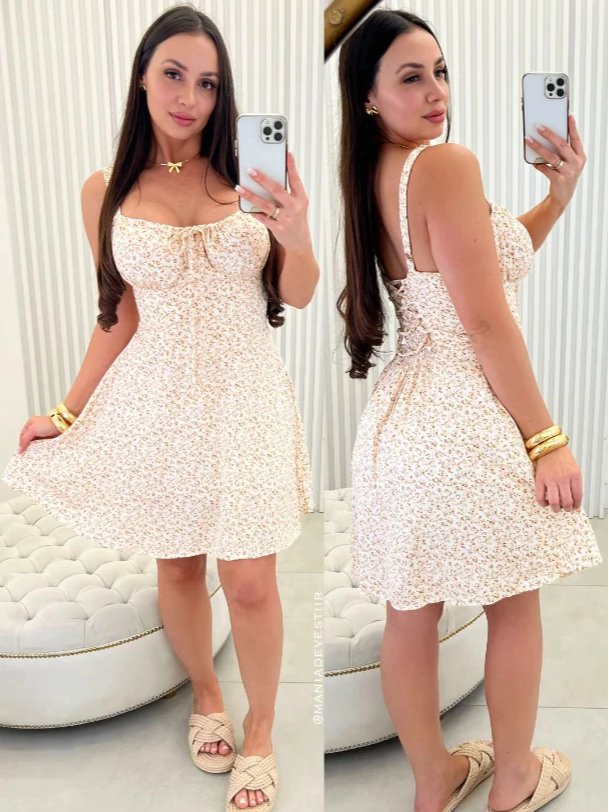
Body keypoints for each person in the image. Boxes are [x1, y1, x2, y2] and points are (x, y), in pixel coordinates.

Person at [2, 6, 318, 811]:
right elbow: (118, 314)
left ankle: (260, 733)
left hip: (246, 397)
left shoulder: (249, 179)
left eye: (206, 83)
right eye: (173, 75)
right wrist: (65, 414)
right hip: (159, 402)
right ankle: (207, 695)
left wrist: (296, 231)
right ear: (142, 76)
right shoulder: (104, 191)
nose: (188, 97)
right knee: (177, 565)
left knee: (250, 581)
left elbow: (299, 293)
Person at [335, 10, 602, 812]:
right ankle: (512, 779)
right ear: (369, 96)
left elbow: (475, 269)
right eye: (410, 77)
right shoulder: (443, 163)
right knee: (512, 604)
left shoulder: (376, 173)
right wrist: (545, 439)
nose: (436, 91)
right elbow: (484, 320)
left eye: (440, 71)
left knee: (408, 615)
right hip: (462, 415)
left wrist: (556, 196)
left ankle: (434, 781)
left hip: (399, 422)